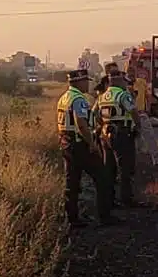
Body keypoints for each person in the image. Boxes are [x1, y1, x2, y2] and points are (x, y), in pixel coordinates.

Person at [56, 68, 115, 227]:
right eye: (86, 81)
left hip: (66, 142)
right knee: (103, 178)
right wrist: (92, 144)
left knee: (72, 182)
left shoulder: (64, 98)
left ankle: (72, 219)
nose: (88, 85)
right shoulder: (78, 99)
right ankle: (105, 216)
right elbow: (81, 124)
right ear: (79, 82)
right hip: (80, 144)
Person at [96, 66, 141, 209]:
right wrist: (137, 127)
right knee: (125, 168)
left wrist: (103, 124)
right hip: (122, 133)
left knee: (109, 169)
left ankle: (109, 200)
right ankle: (126, 199)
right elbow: (133, 111)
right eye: (124, 81)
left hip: (105, 134)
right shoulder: (123, 94)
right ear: (120, 81)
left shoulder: (102, 96)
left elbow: (95, 114)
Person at [131, 72, 158, 167]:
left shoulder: (142, 82)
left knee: (150, 136)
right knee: (134, 139)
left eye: (132, 72)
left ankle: (157, 159)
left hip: (141, 112)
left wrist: (148, 108)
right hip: (130, 115)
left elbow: (148, 96)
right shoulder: (125, 85)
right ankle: (136, 160)